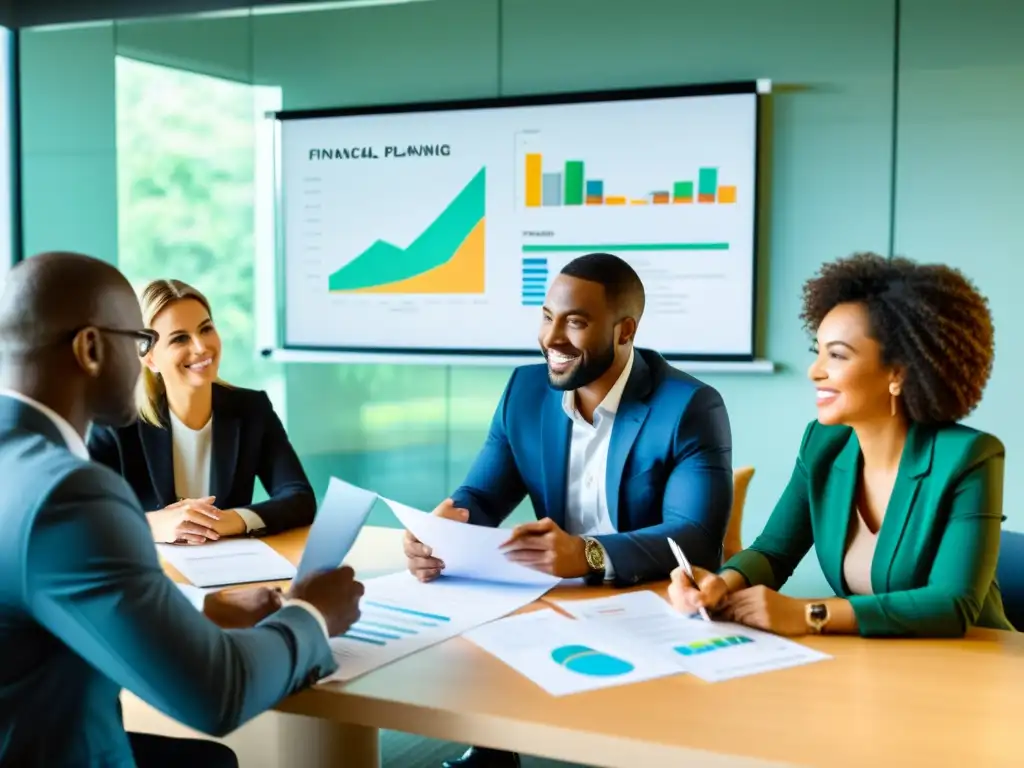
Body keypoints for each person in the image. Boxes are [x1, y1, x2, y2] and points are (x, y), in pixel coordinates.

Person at [0, 252, 363, 766]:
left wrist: (199, 610)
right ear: (91, 348)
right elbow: (219, 693)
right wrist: (312, 615)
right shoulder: (70, 493)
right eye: (141, 341)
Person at [405, 253, 734, 768]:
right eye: (546, 316)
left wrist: (589, 554)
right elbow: (483, 497)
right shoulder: (525, 390)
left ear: (624, 331)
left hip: (649, 597)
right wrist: (444, 529)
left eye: (575, 322)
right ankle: (494, 751)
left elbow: (694, 537)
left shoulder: (689, 406)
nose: (551, 338)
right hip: (553, 595)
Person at [670, 252, 1013, 638]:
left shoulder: (969, 457)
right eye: (818, 352)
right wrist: (723, 582)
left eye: (837, 355)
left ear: (897, 373)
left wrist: (809, 614)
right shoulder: (823, 444)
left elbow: (952, 604)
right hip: (875, 665)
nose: (815, 371)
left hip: (973, 666)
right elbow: (773, 552)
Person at [88, 278, 315, 545]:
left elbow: (299, 498)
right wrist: (151, 523)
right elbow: (83, 517)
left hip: (234, 569)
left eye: (206, 329)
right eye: (180, 338)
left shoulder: (251, 409)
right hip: (148, 572)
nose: (201, 347)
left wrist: (224, 521)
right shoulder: (116, 420)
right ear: (149, 358)